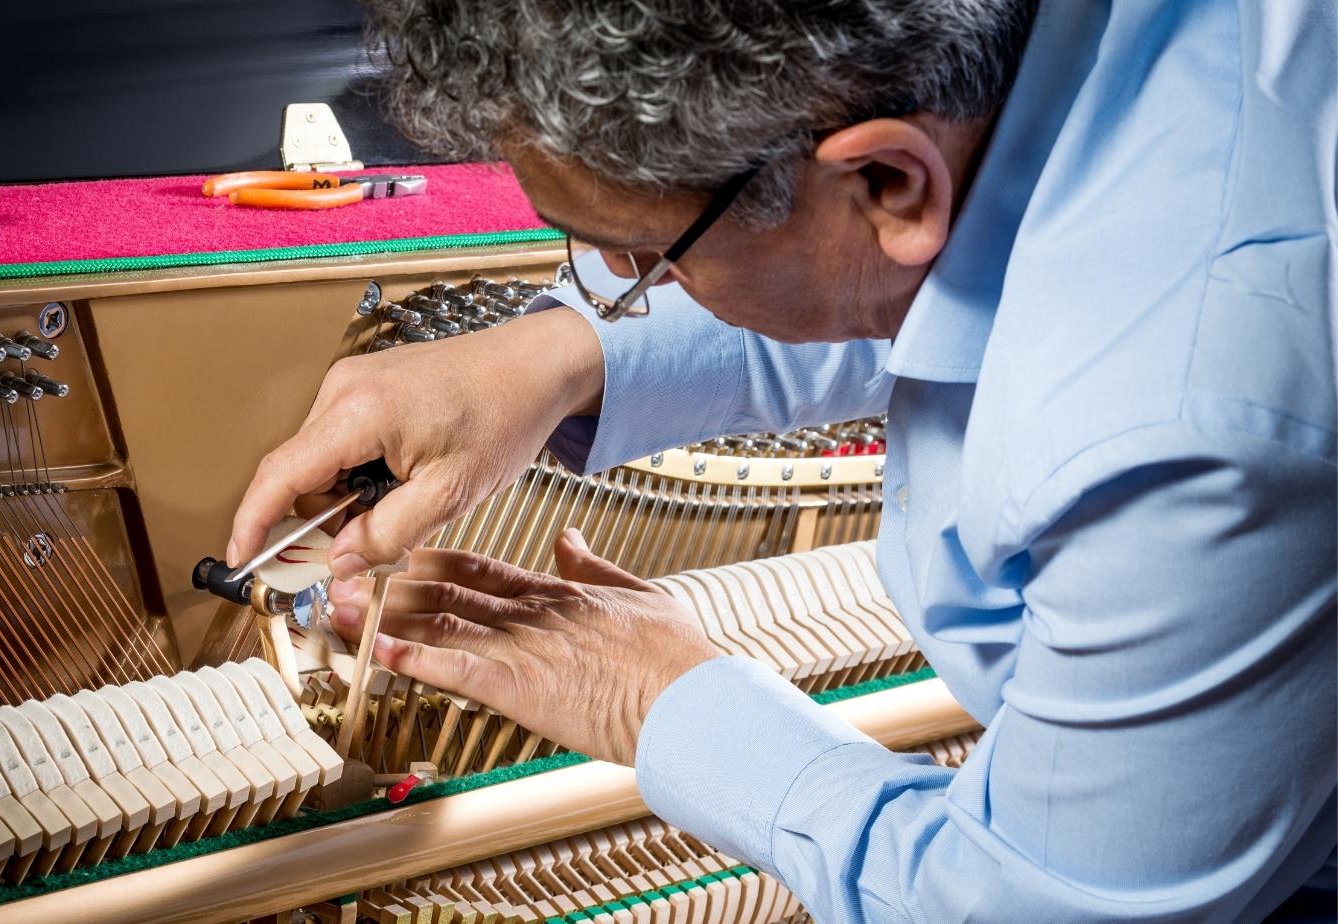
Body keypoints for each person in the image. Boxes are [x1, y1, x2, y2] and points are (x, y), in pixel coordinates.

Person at [226, 1, 1337, 920]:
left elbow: (1042, 905)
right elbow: (941, 265)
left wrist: (657, 697)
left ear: (888, 185)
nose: (626, 280)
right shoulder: (1012, 86)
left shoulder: (1186, 419)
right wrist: (561, 355)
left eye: (648, 251)